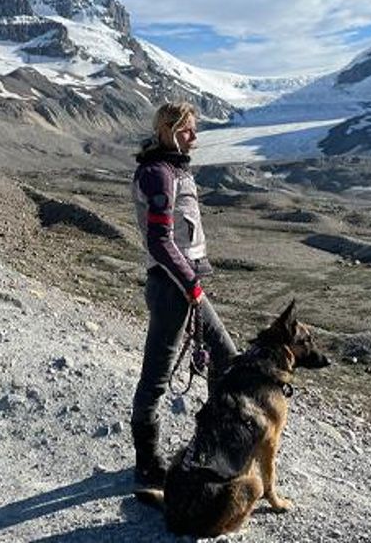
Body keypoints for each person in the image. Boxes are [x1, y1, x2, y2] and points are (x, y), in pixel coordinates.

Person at [129, 101, 238, 487]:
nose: (195, 137)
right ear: (167, 130)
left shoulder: (172, 170)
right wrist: (191, 284)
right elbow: (160, 242)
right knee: (162, 374)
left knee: (221, 356)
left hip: (178, 283)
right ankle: (149, 465)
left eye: (194, 129)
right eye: (188, 129)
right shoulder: (158, 174)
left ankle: (208, 449)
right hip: (172, 285)